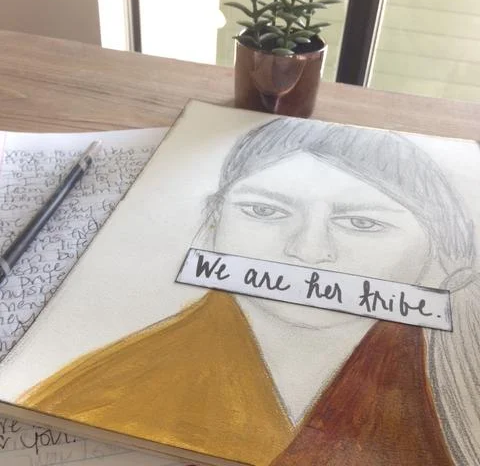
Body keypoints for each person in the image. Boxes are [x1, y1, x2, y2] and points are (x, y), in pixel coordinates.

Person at [19, 118, 480, 465]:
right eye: (263, 211)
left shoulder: (456, 391)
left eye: (362, 223)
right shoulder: (103, 392)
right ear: (214, 222)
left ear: (436, 249)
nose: (307, 251)